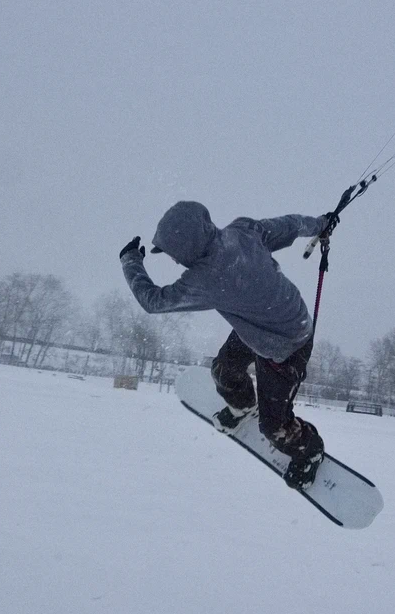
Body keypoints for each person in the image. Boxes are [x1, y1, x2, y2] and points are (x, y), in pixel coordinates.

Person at [119, 201, 336, 489]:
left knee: (274, 427)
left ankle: (309, 452)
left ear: (186, 246)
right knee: (224, 370)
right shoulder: (243, 230)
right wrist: (321, 223)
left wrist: (130, 261)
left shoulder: (205, 278)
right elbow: (292, 224)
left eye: (172, 253)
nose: (172, 260)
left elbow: (153, 302)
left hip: (287, 346)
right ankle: (243, 406)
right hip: (271, 321)